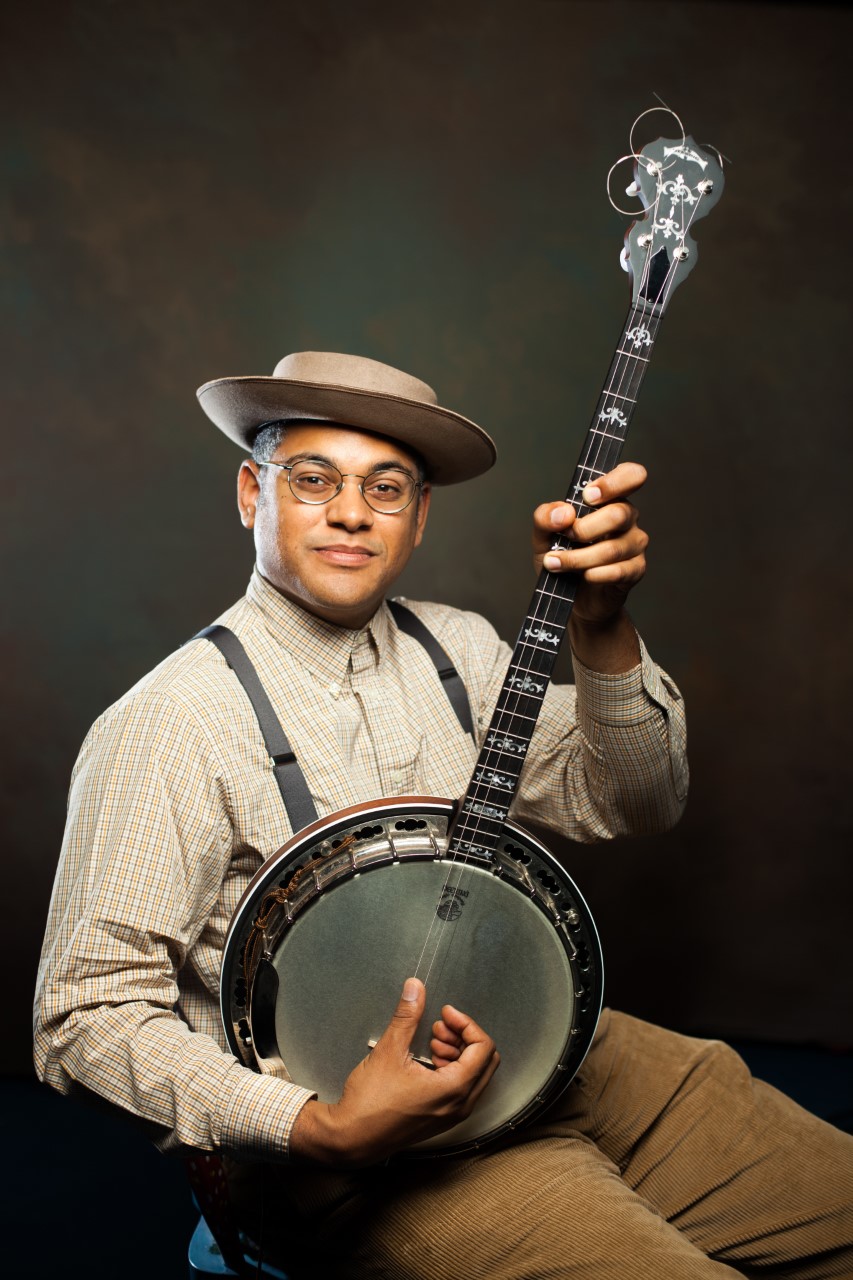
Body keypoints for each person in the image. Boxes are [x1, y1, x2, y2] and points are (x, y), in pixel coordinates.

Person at [34, 352, 853, 1278]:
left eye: (385, 486)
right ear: (249, 493)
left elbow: (634, 800)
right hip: (361, 1162)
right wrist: (317, 1126)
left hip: (551, 1053)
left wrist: (601, 625)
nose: (350, 511)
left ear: (418, 517)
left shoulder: (458, 649)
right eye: (313, 479)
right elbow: (82, 1017)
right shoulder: (170, 722)